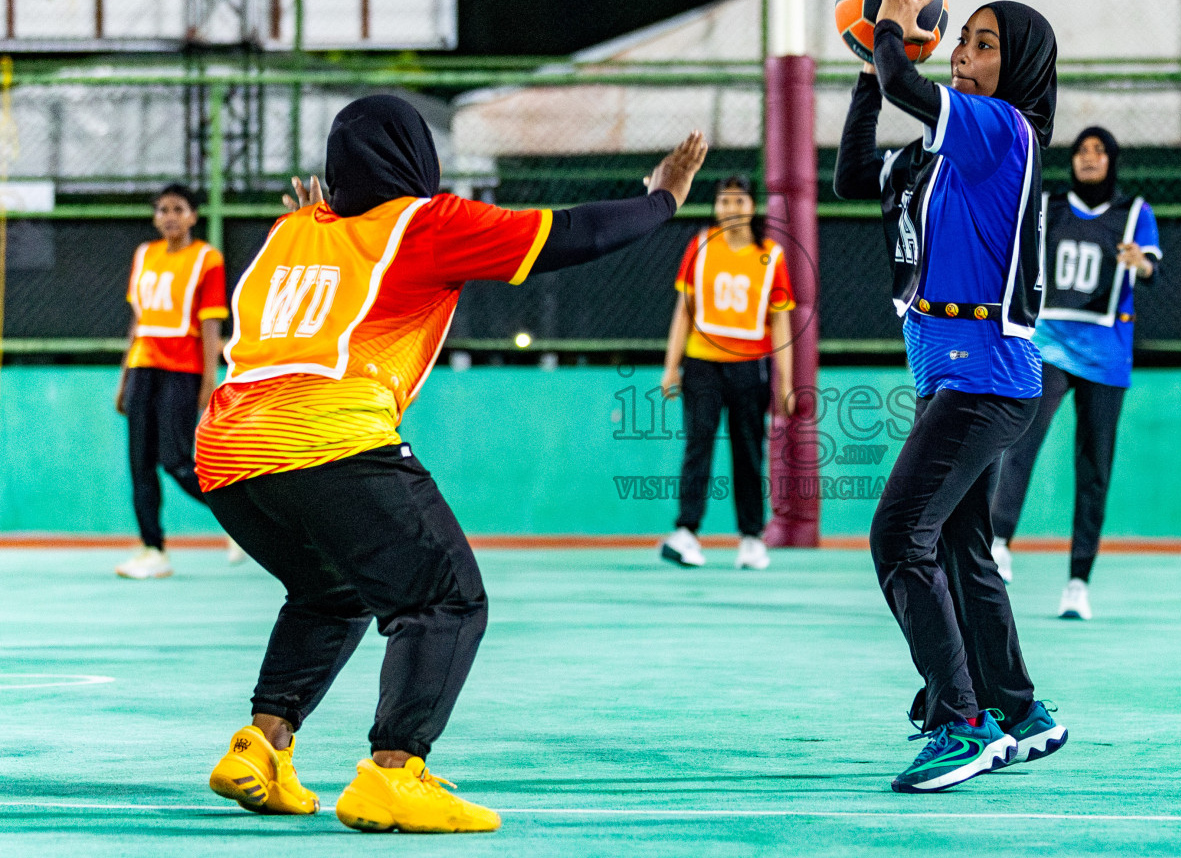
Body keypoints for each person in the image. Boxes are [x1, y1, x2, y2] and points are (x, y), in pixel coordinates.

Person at [198, 95, 707, 833]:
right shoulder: (424, 223)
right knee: (446, 600)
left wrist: (324, 212)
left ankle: (260, 748)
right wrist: (661, 200)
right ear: (414, 158)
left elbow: (324, 262)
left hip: (227, 452)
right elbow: (570, 234)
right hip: (326, 435)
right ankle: (394, 772)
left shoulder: (292, 230)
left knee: (331, 589)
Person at [833, 0, 1067, 793]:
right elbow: (856, 176)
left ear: (1023, 65)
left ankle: (962, 722)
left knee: (898, 536)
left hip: (987, 379)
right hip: (953, 377)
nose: (963, 52)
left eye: (982, 42)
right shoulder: (946, 156)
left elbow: (909, 82)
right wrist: (870, 75)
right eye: (961, 39)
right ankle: (1016, 708)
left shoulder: (1003, 130)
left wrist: (890, 31)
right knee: (962, 546)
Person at [988, 126, 1161, 620]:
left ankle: (1078, 582)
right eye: (1082, 150)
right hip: (1049, 345)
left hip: (1106, 355)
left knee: (1093, 469)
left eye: (1099, 151)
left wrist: (1142, 266)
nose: (1089, 158)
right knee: (1019, 439)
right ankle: (999, 539)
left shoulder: (1134, 215)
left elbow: (1152, 268)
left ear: (1113, 160)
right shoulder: (1048, 207)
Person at [657, 175, 795, 571]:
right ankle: (686, 533)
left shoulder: (771, 256)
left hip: (751, 368)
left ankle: (752, 539)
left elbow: (782, 323)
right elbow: (683, 311)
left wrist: (785, 381)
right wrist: (671, 366)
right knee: (697, 446)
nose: (730, 208)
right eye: (724, 201)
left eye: (738, 201)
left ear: (751, 207)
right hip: (702, 364)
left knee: (749, 453)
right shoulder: (700, 246)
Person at [113, 184, 233, 579]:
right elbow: (138, 320)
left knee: (177, 460)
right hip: (143, 366)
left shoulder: (207, 259)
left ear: (193, 216)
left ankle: (242, 521)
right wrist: (123, 377)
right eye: (162, 209)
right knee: (140, 462)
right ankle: (153, 550)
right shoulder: (143, 255)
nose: (169, 216)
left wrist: (209, 378)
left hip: (182, 369)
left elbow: (211, 321)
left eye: (178, 209)